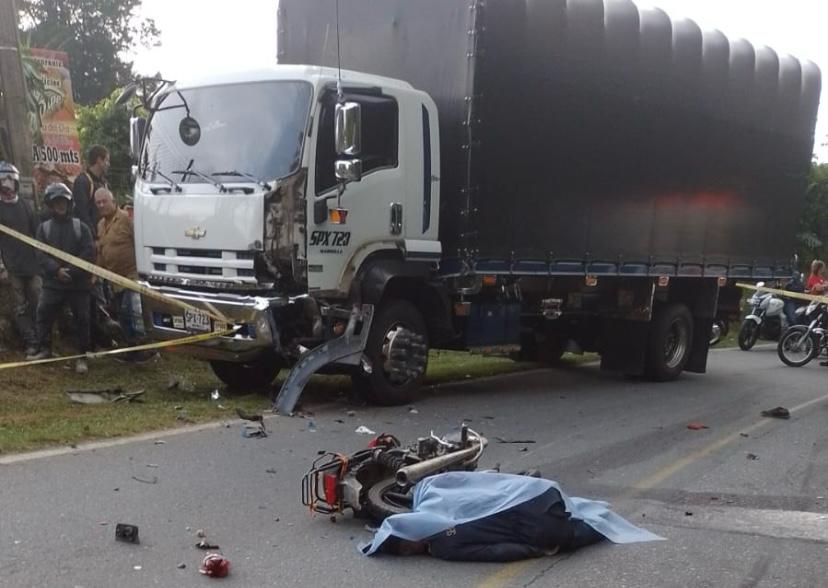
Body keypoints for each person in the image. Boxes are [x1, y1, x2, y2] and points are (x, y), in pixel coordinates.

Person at [361, 471, 663, 561]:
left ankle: (597, 521)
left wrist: (535, 551)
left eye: (404, 548)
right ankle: (593, 513)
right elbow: (474, 483)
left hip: (542, 528)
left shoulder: (442, 546)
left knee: (588, 530)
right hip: (538, 493)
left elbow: (496, 552)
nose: (410, 550)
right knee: (581, 512)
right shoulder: (435, 502)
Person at [27, 183, 95, 374]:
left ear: (69, 203)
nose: (60, 205)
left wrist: (71, 272)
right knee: (43, 314)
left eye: (63, 201)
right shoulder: (44, 229)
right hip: (53, 283)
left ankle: (81, 356)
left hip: (78, 284)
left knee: (82, 319)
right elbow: (40, 254)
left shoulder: (81, 227)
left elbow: (88, 253)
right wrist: (56, 271)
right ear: (50, 205)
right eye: (56, 202)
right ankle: (45, 349)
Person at [94, 187, 149, 361]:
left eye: (104, 201)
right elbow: (101, 252)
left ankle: (145, 348)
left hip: (132, 276)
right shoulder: (100, 225)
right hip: (114, 281)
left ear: (113, 202)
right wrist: (95, 273)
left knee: (131, 311)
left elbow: (141, 242)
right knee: (123, 315)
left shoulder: (126, 219)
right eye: (98, 203)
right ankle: (132, 350)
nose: (101, 205)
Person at [0, 161, 42, 355]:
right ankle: (30, 341)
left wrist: (41, 259)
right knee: (20, 307)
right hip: (11, 266)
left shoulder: (25, 205)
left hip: (31, 264)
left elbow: (36, 234)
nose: (7, 185)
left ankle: (42, 339)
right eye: (3, 181)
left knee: (38, 301)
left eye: (10, 181)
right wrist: (1, 265)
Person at [72, 144, 109, 236]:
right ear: (99, 160)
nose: (108, 164)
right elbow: (82, 213)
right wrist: (93, 235)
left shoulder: (104, 183)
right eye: (107, 160)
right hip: (89, 236)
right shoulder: (82, 181)